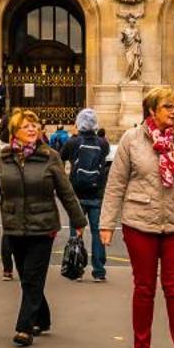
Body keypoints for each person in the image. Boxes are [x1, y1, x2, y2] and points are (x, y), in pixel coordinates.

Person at [100, 85, 174, 348]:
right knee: (144, 289)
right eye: (168, 107)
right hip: (139, 222)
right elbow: (116, 184)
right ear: (152, 110)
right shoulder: (132, 140)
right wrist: (106, 224)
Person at [0, 108, 86, 347]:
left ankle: (24, 327)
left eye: (35, 125)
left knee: (33, 277)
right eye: (26, 126)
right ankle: (42, 318)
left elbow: (65, 191)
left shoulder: (50, 156)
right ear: (14, 133)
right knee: (27, 277)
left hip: (43, 228)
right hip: (14, 226)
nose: (32, 129)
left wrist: (78, 221)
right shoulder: (5, 158)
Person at [62, 108, 112, 282]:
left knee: (76, 232)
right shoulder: (103, 143)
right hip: (96, 193)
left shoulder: (72, 142)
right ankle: (99, 271)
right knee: (97, 232)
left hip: (76, 193)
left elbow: (62, 156)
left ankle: (76, 268)